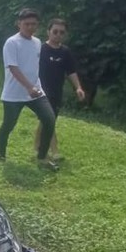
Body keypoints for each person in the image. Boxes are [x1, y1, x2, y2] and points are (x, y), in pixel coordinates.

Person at [0, 8, 59, 170]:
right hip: (14, 94)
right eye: (27, 24)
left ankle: (42, 157)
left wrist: (35, 87)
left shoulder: (37, 42)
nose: (31, 27)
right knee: (8, 125)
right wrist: (28, 86)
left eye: (34, 24)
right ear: (19, 24)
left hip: (36, 92)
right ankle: (1, 154)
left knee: (49, 119)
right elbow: (13, 67)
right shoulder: (12, 42)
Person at [35, 19, 85, 160]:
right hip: (40, 91)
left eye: (61, 32)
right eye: (55, 31)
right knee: (48, 120)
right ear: (48, 32)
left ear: (65, 35)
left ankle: (36, 147)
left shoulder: (65, 52)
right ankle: (54, 151)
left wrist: (78, 88)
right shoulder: (40, 49)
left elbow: (71, 72)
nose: (58, 35)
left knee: (46, 121)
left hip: (57, 92)